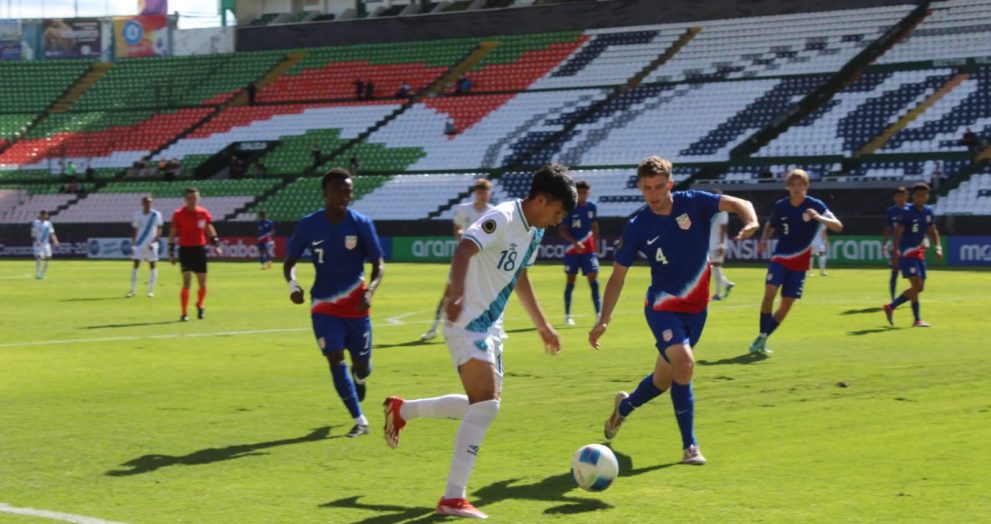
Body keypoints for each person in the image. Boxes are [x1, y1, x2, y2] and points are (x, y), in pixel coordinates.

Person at [383, 164, 577, 519]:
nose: (556, 221)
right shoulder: (502, 217)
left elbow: (519, 278)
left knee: (481, 405)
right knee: (486, 406)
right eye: (557, 212)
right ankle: (452, 497)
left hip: (491, 326)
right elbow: (465, 249)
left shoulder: (533, 234)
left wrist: (542, 326)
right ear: (541, 199)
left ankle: (403, 410)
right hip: (466, 321)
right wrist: (456, 294)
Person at [589, 156, 758, 467]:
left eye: (659, 187)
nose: (653, 194)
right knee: (685, 362)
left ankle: (623, 408)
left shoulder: (693, 203)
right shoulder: (637, 226)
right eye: (646, 188)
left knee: (664, 379)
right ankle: (689, 446)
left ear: (670, 183)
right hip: (662, 306)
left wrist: (751, 221)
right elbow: (617, 276)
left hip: (697, 309)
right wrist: (603, 320)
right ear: (639, 188)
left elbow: (739, 202)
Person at [284, 168, 385, 438]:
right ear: (325, 192)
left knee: (361, 364)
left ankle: (360, 376)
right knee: (334, 358)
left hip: (357, 308)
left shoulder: (361, 223)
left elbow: (378, 264)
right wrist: (293, 285)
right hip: (324, 308)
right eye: (339, 190)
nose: (345, 196)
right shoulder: (308, 225)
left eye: (348, 191)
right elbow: (289, 263)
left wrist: (371, 291)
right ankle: (360, 419)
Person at [749, 169, 843, 355]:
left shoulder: (815, 205)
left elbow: (838, 226)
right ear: (788, 187)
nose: (797, 188)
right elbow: (771, 224)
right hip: (781, 257)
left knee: (786, 305)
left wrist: (818, 217)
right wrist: (763, 240)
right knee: (769, 293)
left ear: (806, 186)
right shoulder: (781, 205)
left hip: (800, 263)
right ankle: (761, 332)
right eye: (793, 185)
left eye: (800, 184)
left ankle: (763, 338)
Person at [421, 179, 494, 341]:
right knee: (448, 293)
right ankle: (433, 328)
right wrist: (460, 236)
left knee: (487, 295)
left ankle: (491, 327)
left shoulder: (493, 212)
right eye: (480, 192)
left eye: (485, 192)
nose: (483, 195)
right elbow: (457, 227)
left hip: (483, 262)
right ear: (476, 193)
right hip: (464, 259)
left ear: (489, 193)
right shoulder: (464, 209)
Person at [884, 182, 942, 328]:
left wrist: (938, 247)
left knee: (919, 288)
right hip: (907, 253)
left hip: (919, 252)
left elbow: (933, 230)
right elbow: (898, 233)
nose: (921, 198)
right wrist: (896, 252)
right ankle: (912, 317)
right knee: (916, 284)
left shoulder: (928, 211)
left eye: (924, 195)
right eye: (918, 196)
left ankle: (896, 309)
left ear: (928, 196)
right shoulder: (907, 211)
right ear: (913, 196)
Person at [169, 187, 222, 322]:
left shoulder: (203, 213)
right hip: (185, 250)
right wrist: (171, 250)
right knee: (187, 282)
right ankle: (184, 313)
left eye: (195, 198)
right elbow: (173, 233)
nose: (193, 200)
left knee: (202, 284)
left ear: (199, 198)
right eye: (190, 198)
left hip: (199, 249)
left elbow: (209, 228)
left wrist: (216, 244)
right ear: (185, 199)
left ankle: (199, 304)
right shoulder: (178, 214)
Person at [560, 180, 600, 325]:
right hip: (572, 251)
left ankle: (598, 314)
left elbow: (594, 226)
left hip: (588, 250)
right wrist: (574, 242)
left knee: (594, 281)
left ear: (588, 193)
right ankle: (568, 316)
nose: (582, 195)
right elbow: (562, 230)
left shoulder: (592, 207)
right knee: (571, 282)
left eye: (585, 192)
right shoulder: (570, 208)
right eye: (580, 192)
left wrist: (596, 244)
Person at [127, 196, 164, 298]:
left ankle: (151, 291)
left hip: (151, 244)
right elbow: (134, 230)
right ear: (142, 203)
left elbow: (160, 230)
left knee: (152, 265)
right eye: (146, 202)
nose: (148, 204)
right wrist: (133, 244)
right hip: (139, 243)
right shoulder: (137, 214)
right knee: (136, 265)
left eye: (150, 203)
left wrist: (154, 241)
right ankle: (133, 290)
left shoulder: (156, 214)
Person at [882, 187, 909, 301]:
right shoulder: (891, 211)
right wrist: (884, 244)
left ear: (906, 196)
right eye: (898, 196)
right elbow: (888, 227)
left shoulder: (912, 209)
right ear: (894, 198)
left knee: (913, 274)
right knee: (894, 272)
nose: (900, 198)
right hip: (897, 245)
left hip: (911, 245)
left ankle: (911, 295)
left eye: (903, 195)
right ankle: (893, 298)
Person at [709, 189, 735, 300]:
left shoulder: (723, 212)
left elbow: (724, 229)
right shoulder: (712, 211)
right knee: (714, 268)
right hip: (711, 244)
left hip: (718, 244)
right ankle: (726, 284)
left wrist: (722, 244)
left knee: (715, 267)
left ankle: (718, 293)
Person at [31, 210, 60, 279]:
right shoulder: (35, 223)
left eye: (46, 215)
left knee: (48, 258)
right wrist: (36, 240)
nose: (46, 216)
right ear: (41, 215)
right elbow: (33, 233)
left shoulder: (48, 223)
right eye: (44, 215)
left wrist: (55, 241)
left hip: (46, 243)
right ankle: (38, 273)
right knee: (39, 257)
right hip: (37, 243)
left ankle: (42, 274)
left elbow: (52, 233)